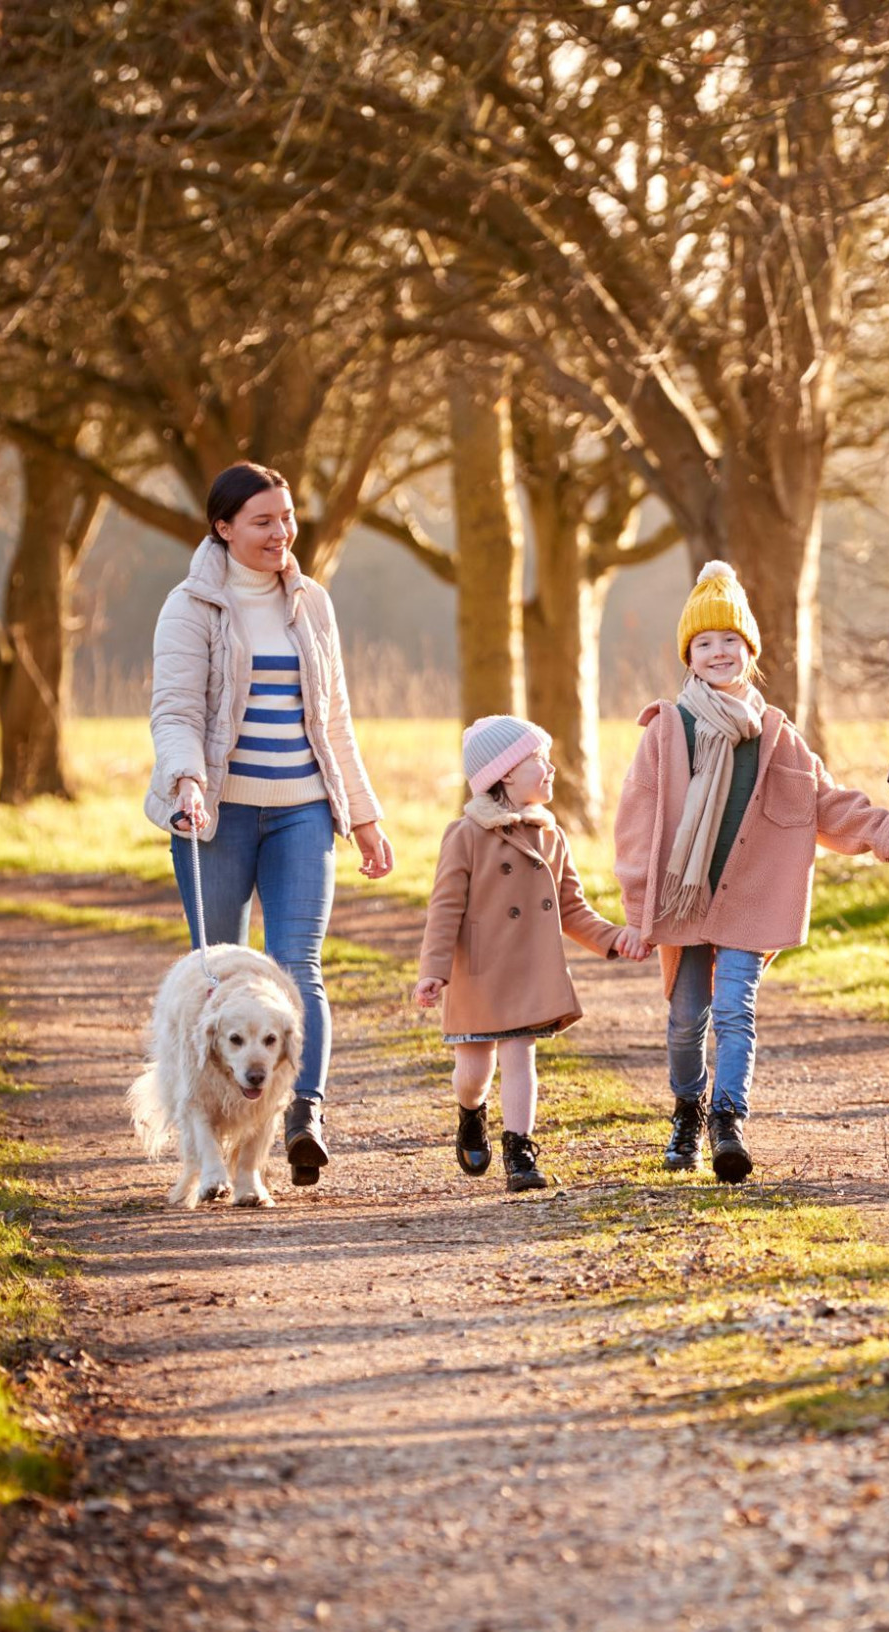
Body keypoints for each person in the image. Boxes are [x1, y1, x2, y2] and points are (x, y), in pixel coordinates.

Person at [614, 562, 889, 1183]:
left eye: (730, 639)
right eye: (705, 643)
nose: (718, 652)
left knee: (736, 1011)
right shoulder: (667, 732)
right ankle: (687, 1109)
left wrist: (888, 830)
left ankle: (727, 1121)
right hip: (683, 902)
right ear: (689, 657)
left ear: (749, 651)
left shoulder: (779, 737)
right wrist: (637, 909)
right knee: (686, 1019)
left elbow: (826, 804)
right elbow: (635, 824)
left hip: (750, 900)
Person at [148, 462, 394, 1189]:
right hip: (216, 812)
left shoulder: (311, 601)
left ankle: (302, 1114)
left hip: (303, 810)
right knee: (217, 975)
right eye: (262, 520)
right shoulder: (189, 607)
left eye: (285, 517)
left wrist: (364, 815)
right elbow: (175, 711)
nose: (280, 532)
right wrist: (187, 779)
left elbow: (336, 720)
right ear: (223, 528)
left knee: (298, 965)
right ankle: (208, 1126)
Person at [414, 715, 649, 1192]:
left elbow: (571, 908)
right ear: (504, 773)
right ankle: (471, 1112)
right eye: (538, 759)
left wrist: (613, 937)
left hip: (528, 970)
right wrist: (433, 971)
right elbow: (444, 909)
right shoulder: (465, 834)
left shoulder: (551, 836)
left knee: (520, 1055)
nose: (551, 768)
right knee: (473, 1072)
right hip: (479, 970)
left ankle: (519, 1149)